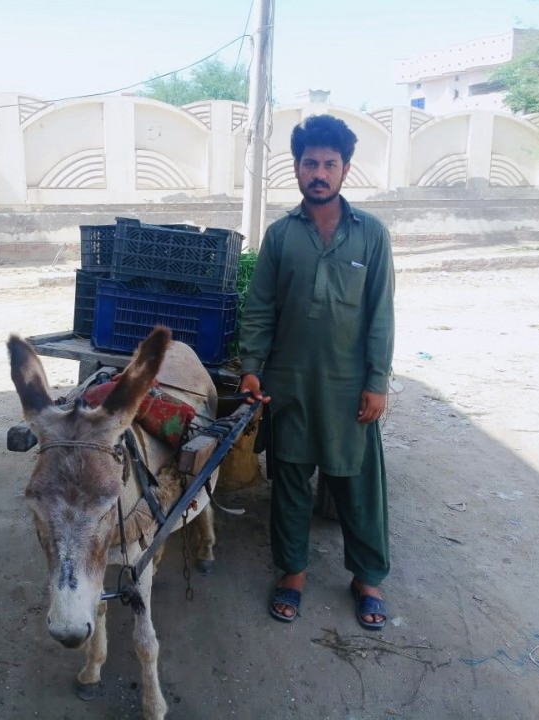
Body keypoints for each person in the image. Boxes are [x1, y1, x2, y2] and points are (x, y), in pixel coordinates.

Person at [238, 115, 395, 630]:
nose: (319, 173)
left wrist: (378, 382)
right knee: (289, 482)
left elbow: (381, 313)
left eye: (330, 164)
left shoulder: (370, 234)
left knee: (357, 486)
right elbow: (260, 308)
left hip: (350, 389)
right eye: (311, 163)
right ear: (298, 168)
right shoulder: (281, 235)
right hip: (291, 385)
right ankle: (293, 574)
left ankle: (367, 577)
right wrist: (252, 370)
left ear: (346, 169)